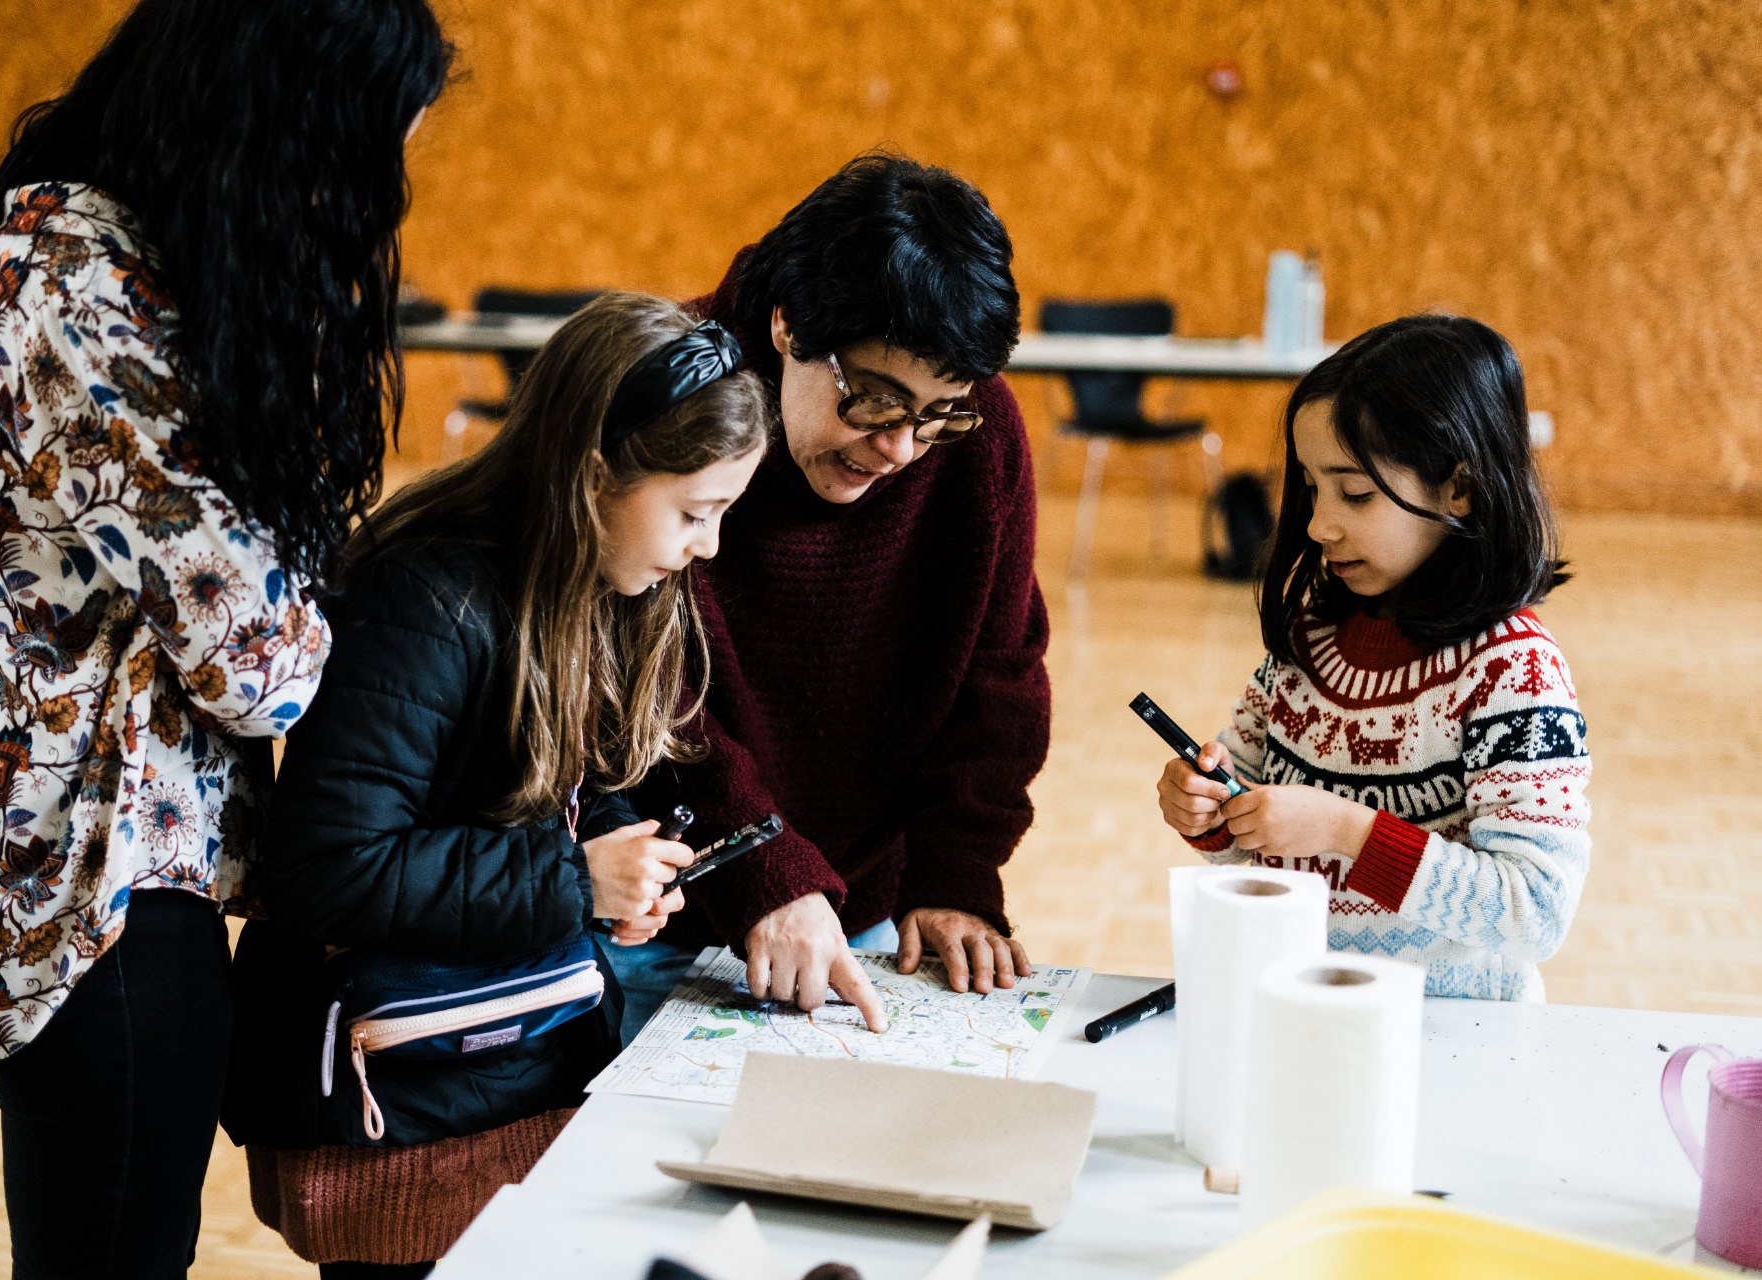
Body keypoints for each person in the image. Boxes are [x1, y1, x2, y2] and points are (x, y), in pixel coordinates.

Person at [0, 1, 452, 1272]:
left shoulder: (108, 251)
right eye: (360, 160)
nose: (355, 207)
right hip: (93, 891)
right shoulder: (76, 279)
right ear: (277, 123)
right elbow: (260, 664)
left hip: (108, 865)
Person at [220, 293, 771, 1276]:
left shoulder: (586, 578)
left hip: (510, 1060)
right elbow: (327, 867)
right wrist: (576, 881)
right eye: (695, 513)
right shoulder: (421, 597)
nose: (710, 545)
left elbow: (555, 786)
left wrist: (620, 853)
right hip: (393, 1109)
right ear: (594, 475)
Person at [602, 153, 1052, 1038]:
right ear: (787, 324)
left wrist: (956, 874)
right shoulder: (671, 397)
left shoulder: (980, 435)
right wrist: (762, 869)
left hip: (858, 908)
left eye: (940, 412)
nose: (903, 449)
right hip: (653, 909)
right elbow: (631, 686)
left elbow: (1000, 675)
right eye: (876, 402)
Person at [1156, 314, 1589, 1000]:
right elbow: (1248, 811)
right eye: (1311, 487)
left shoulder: (1513, 670)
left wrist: (1346, 831)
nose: (1317, 525)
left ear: (1458, 489)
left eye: (1355, 493)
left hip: (1456, 1033)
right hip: (1305, 1011)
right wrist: (1207, 808)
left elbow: (1533, 911)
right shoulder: (1310, 640)